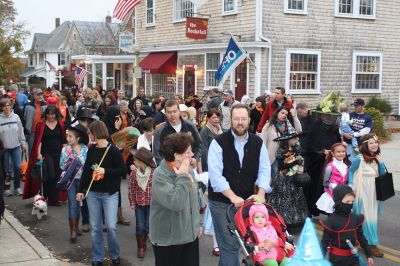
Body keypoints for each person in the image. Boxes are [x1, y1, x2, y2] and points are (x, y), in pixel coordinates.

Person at [208, 104, 272, 266]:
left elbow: (265, 170)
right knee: (230, 245)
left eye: (243, 118)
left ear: (249, 120)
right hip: (221, 203)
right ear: (231, 120)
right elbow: (215, 177)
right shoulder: (218, 143)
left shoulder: (258, 143)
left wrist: (262, 192)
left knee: (241, 243)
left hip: (247, 203)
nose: (240, 122)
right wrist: (232, 196)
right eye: (236, 119)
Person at [76, 121, 126, 266]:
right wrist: (80, 190)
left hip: (110, 194)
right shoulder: (92, 150)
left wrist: (106, 171)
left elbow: (123, 170)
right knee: (95, 227)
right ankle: (97, 258)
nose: (89, 136)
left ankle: (114, 255)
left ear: (96, 133)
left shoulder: (113, 150)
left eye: (90, 133)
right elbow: (86, 171)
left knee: (111, 226)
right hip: (93, 193)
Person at [149, 133, 202, 266]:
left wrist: (197, 223)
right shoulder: (160, 174)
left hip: (190, 237)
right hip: (168, 241)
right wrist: (183, 176)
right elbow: (176, 203)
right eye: (188, 152)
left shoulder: (186, 169)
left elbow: (193, 199)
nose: (192, 155)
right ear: (176, 155)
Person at [348, 133, 386, 257]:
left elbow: (382, 175)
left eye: (376, 142)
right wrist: (351, 185)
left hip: (373, 192)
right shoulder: (359, 158)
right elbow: (351, 171)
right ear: (365, 145)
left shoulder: (378, 158)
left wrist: (380, 163)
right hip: (361, 191)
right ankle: (360, 241)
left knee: (372, 217)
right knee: (362, 217)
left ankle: (372, 244)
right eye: (371, 143)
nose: (375, 145)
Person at [320, 184, 374, 266]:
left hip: (353, 258)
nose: (350, 204)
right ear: (338, 201)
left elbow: (361, 237)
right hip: (337, 260)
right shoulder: (332, 220)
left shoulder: (355, 218)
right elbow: (324, 243)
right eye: (347, 202)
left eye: (352, 202)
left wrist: (369, 254)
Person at [23, 105, 66, 205]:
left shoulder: (60, 124)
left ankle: (50, 196)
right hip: (46, 153)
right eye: (49, 114)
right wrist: (38, 154)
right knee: (50, 175)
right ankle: (51, 198)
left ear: (56, 114)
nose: (50, 116)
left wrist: (66, 153)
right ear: (46, 114)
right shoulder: (41, 124)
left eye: (53, 114)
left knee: (58, 175)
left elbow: (63, 140)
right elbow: (39, 141)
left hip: (58, 153)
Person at [304, 112, 342, 217]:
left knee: (331, 186)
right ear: (321, 116)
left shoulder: (334, 128)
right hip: (316, 163)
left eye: (331, 116)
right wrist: (321, 151)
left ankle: (331, 211)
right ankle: (311, 210)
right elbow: (309, 145)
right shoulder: (314, 127)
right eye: (327, 115)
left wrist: (336, 151)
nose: (329, 118)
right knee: (314, 187)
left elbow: (338, 142)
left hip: (331, 162)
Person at [268, 131, 308, 226]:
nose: (296, 140)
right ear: (288, 140)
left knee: (295, 199)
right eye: (294, 138)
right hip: (283, 179)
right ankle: (283, 221)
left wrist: (300, 160)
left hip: (294, 178)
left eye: (296, 138)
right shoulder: (282, 150)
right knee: (283, 200)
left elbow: (300, 159)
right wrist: (295, 162)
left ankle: (294, 221)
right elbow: (281, 167)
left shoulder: (296, 148)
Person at [59, 125, 88, 243]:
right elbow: (61, 165)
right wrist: (71, 160)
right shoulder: (65, 150)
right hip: (71, 180)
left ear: (78, 138)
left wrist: (77, 156)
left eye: (70, 136)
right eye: (67, 136)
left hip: (82, 180)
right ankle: (73, 231)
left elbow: (86, 164)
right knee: (72, 203)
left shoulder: (85, 149)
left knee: (80, 203)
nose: (68, 138)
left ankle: (76, 226)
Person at [153, 99, 203, 166]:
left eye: (174, 111)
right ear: (165, 113)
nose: (172, 114)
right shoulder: (160, 131)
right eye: (169, 112)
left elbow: (199, 145)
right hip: (169, 170)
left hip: (188, 166)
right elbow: (158, 154)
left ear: (179, 111)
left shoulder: (190, 126)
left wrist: (195, 159)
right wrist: (168, 168)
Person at [128, 147, 156, 258]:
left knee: (148, 226)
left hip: (151, 204)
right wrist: (132, 202)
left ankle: (144, 240)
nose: (133, 162)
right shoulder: (134, 173)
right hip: (139, 204)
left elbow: (158, 189)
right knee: (140, 226)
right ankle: (141, 247)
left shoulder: (154, 173)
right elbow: (131, 188)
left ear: (142, 162)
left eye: (135, 160)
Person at [260, 106, 302, 178]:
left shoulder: (288, 125)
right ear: (277, 113)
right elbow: (262, 142)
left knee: (285, 180)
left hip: (286, 157)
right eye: (282, 113)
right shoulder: (268, 126)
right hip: (273, 158)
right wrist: (264, 158)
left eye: (286, 114)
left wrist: (294, 117)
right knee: (276, 179)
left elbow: (299, 131)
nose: (284, 115)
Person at [0, 98, 27, 196]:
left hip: (16, 146)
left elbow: (20, 131)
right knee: (6, 169)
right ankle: (6, 188)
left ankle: (17, 187)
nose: (6, 108)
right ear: (1, 108)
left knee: (17, 167)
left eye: (8, 105)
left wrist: (23, 143)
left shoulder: (16, 117)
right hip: (5, 148)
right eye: (4, 106)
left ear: (10, 106)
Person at [316, 143, 348, 214]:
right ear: (333, 153)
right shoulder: (330, 167)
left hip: (342, 195)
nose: (341, 154)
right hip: (331, 195)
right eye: (338, 152)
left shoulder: (345, 166)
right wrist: (334, 186)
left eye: (343, 151)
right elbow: (325, 183)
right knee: (333, 215)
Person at [342, 98, 372, 163]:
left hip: (360, 143)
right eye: (354, 106)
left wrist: (353, 135)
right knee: (349, 160)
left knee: (359, 161)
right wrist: (344, 134)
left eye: (357, 106)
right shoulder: (349, 115)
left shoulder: (367, 117)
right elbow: (343, 126)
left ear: (362, 106)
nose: (355, 107)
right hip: (348, 142)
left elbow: (367, 130)